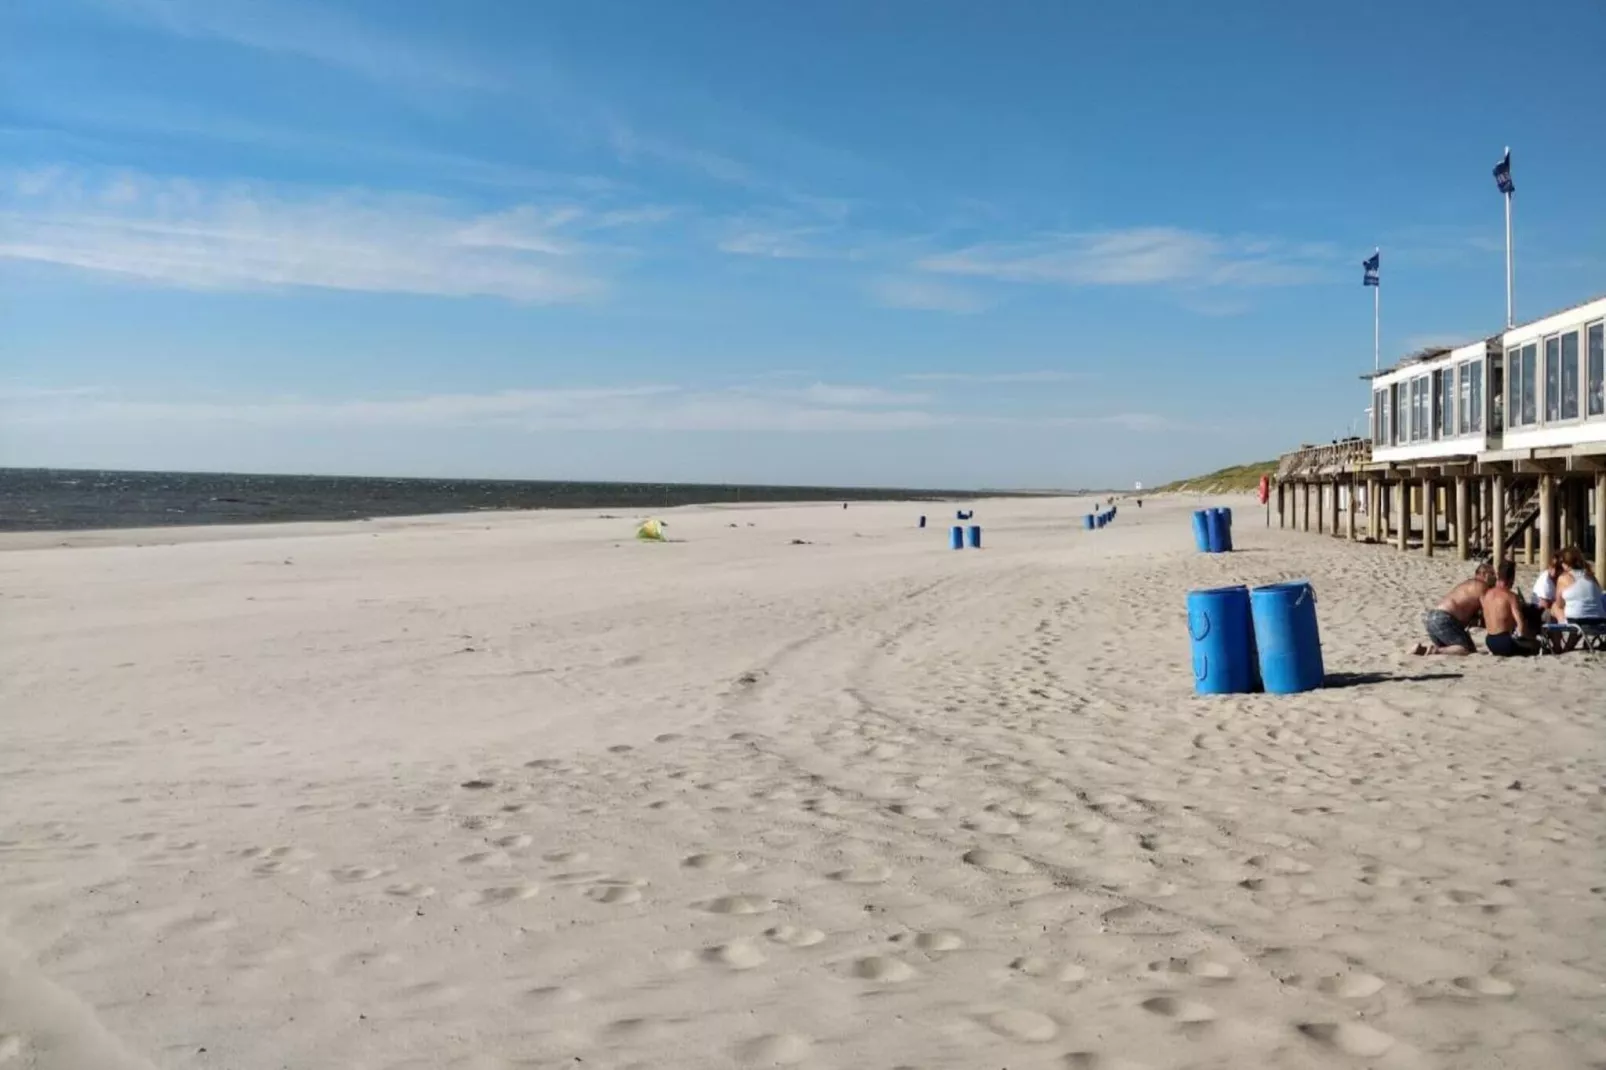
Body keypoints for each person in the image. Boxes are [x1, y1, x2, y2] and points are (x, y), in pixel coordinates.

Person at [1411, 563, 1494, 656]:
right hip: (1444, 618)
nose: (1495, 579)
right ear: (1485, 574)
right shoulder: (1482, 587)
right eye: (1493, 574)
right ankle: (1434, 651)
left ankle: (1422, 650)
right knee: (1465, 649)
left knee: (1455, 649)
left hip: (1431, 617)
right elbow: (1487, 611)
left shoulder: (1467, 584)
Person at [1548, 548, 1606, 652]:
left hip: (1578, 620)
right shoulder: (1591, 576)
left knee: (1554, 607)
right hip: (1599, 619)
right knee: (1578, 611)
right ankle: (1568, 647)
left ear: (1565, 563)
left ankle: (1557, 646)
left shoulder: (1564, 578)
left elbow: (1559, 604)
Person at [1481, 559, 1538, 657]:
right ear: (1512, 578)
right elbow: (1521, 627)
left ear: (1498, 575)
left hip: (1489, 641)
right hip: (1505, 643)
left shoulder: (1487, 594)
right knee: (1536, 645)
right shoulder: (1511, 597)